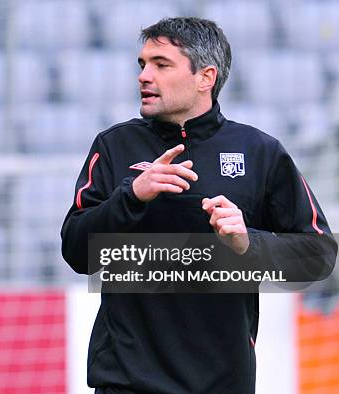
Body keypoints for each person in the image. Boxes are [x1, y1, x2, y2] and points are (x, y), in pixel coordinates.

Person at [61, 17, 337, 393]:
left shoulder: (259, 152)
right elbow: (77, 252)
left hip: (223, 381)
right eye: (142, 64)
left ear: (205, 77)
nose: (144, 76)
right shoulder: (114, 146)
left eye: (161, 64)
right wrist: (131, 196)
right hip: (127, 379)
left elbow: (318, 255)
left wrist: (248, 243)